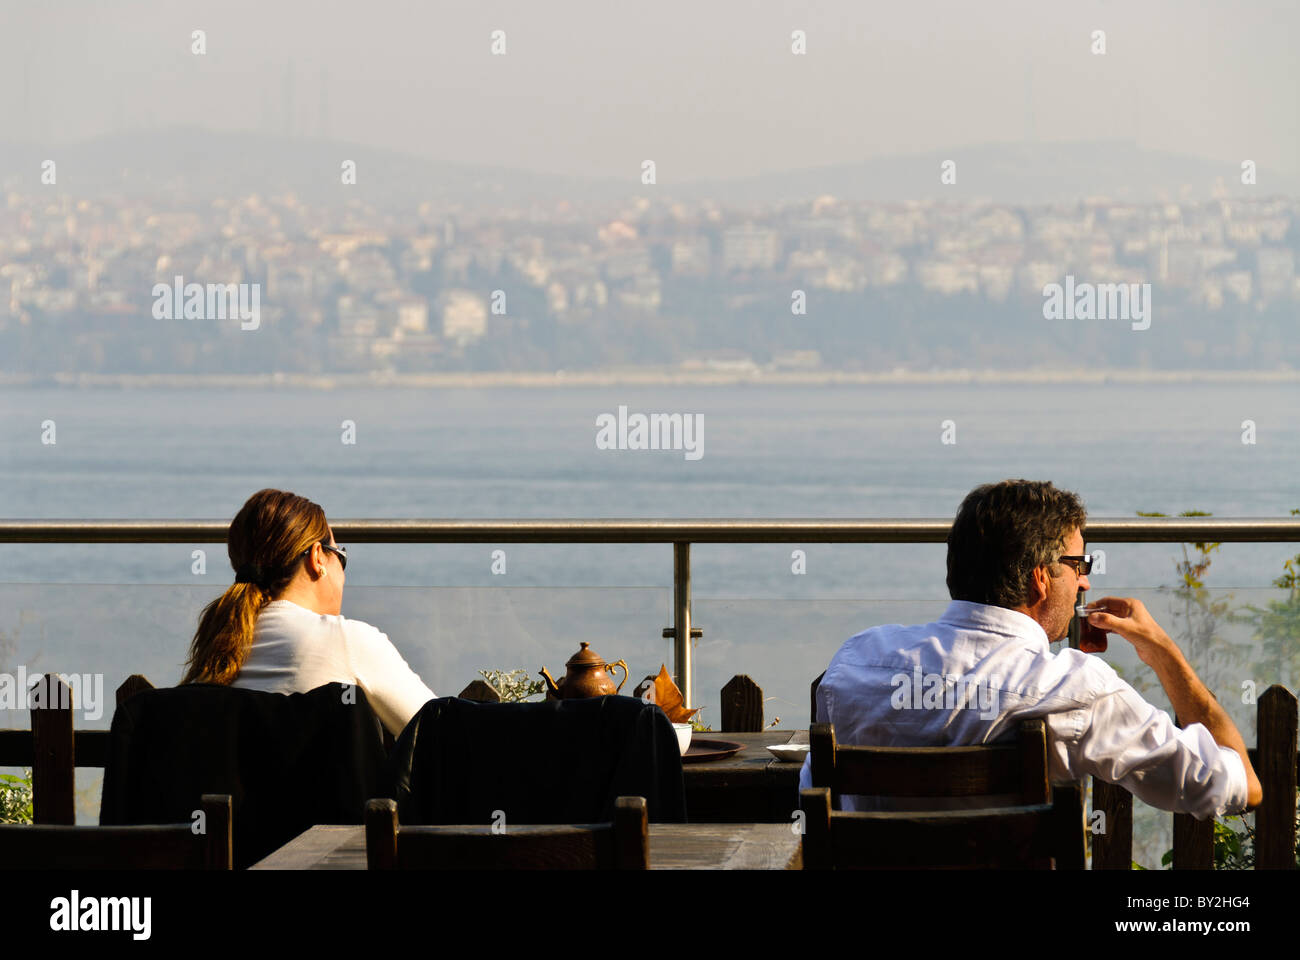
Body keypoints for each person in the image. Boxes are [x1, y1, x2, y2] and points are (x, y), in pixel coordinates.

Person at [800, 479, 1263, 818]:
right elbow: (1235, 786)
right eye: (1079, 563)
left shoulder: (857, 663)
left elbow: (811, 794)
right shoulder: (1074, 689)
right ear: (1041, 578)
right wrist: (1163, 652)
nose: (1084, 580)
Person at [181, 488, 436, 737]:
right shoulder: (346, 641)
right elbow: (444, 740)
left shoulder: (213, 654)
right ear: (317, 558)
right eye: (340, 555)